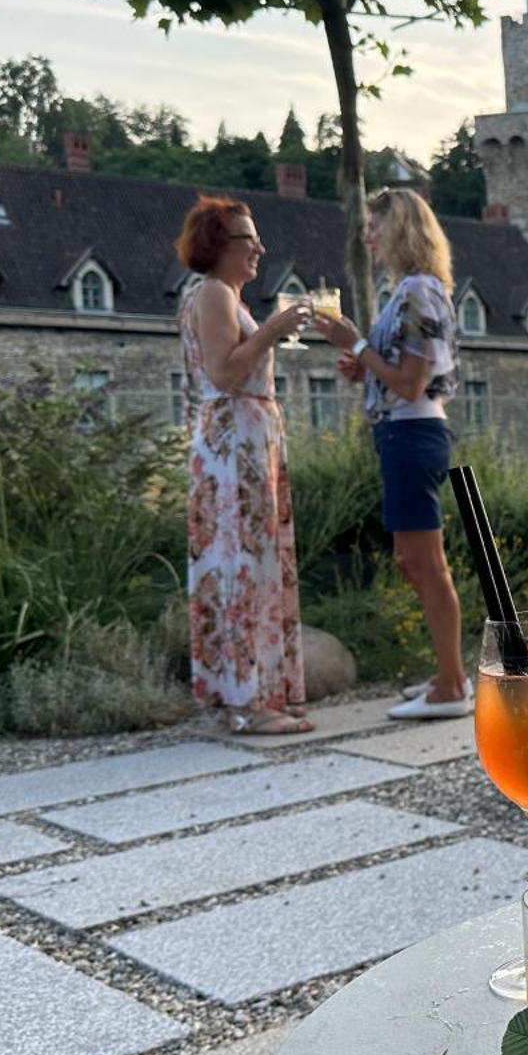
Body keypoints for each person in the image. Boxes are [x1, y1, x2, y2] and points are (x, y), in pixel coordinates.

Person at [317, 189, 471, 720]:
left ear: (400, 228)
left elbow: (411, 385)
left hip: (412, 433)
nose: (367, 236)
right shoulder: (410, 292)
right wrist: (365, 366)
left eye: (374, 225)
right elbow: (404, 376)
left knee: (426, 563)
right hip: (403, 434)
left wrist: (358, 346)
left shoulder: (417, 294)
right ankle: (448, 674)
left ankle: (452, 686)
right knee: (415, 561)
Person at [175, 196, 313, 734]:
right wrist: (272, 331)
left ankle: (260, 691)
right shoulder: (212, 292)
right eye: (246, 239)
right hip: (234, 444)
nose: (259, 247)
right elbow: (224, 372)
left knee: (253, 561)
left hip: (244, 441)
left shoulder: (223, 296)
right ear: (217, 245)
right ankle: (249, 702)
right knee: (244, 563)